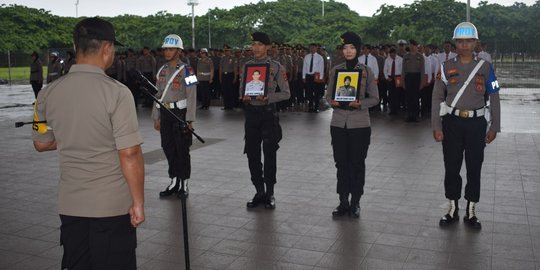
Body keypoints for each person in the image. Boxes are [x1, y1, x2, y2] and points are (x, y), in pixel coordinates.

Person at [32, 17, 145, 269]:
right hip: (111, 207)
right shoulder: (117, 92)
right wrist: (138, 202)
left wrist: (73, 137)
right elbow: (129, 153)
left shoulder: (46, 93)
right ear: (107, 48)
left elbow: (41, 142)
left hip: (71, 205)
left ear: (76, 45)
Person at [432, 22, 501, 229]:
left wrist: (494, 127)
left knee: (474, 167)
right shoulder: (445, 67)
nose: (464, 45)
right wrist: (436, 125)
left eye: (468, 41)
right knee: (451, 167)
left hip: (476, 124)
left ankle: (471, 211)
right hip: (451, 123)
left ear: (475, 43)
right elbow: (436, 97)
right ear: (455, 43)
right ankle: (452, 208)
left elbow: (495, 97)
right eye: (460, 41)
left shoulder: (486, 67)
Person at [327, 32, 379, 218]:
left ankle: (356, 202)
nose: (348, 51)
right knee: (341, 163)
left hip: (359, 124)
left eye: (352, 47)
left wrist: (360, 103)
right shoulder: (336, 71)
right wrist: (331, 101)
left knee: (357, 164)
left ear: (358, 49)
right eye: (345, 48)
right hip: (339, 123)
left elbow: (375, 98)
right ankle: (343, 201)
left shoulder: (366, 71)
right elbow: (328, 96)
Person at [239, 32, 290, 210]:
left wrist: (267, 97)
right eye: (253, 44)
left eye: (260, 44)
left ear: (267, 47)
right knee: (252, 154)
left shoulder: (276, 67)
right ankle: (258, 190)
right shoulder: (246, 67)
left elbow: (286, 93)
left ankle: (270, 192)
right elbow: (241, 90)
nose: (256, 48)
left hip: (268, 114)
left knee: (270, 155)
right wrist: (244, 96)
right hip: (251, 114)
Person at [152, 34, 197, 198]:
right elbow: (157, 95)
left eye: (171, 49)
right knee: (168, 147)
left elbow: (192, 95)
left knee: (182, 149)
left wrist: (190, 119)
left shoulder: (188, 70)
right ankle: (174, 180)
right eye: (165, 49)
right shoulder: (161, 70)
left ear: (179, 51)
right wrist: (156, 116)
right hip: (165, 113)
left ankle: (184, 183)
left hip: (180, 114)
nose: (167, 52)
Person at [402, 39, 425, 122]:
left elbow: (422, 70)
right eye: (410, 45)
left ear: (416, 46)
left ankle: (415, 115)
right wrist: (402, 81)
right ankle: (409, 115)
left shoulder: (420, 56)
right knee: (408, 97)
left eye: (413, 45)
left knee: (415, 97)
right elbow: (403, 70)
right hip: (408, 77)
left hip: (417, 77)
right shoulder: (406, 56)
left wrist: (422, 82)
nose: (412, 47)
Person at [302, 43, 325, 113]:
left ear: (316, 48)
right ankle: (310, 106)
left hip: (316, 76)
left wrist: (320, 78)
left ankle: (316, 107)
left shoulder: (320, 57)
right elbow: (304, 67)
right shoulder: (306, 57)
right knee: (309, 92)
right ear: (309, 48)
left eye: (314, 47)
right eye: (311, 47)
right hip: (308, 76)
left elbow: (321, 68)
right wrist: (303, 77)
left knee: (316, 92)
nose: (312, 49)